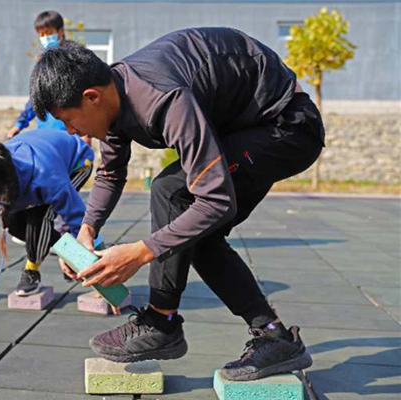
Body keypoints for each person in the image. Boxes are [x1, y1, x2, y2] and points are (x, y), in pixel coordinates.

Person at [29, 28, 325, 381]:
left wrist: (138, 253)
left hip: (286, 126)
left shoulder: (163, 99)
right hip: (242, 126)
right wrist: (87, 230)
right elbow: (110, 174)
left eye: (67, 120)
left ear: (91, 97)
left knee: (171, 192)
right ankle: (274, 337)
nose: (70, 132)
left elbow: (215, 201)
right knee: (193, 232)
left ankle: (161, 322)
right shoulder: (112, 98)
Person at [0, 129, 95, 296]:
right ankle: (64, 247)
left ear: (0, 188)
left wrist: (97, 272)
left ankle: (31, 271)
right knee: (13, 224)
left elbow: (80, 220)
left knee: (39, 217)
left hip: (77, 161)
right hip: (38, 157)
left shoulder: (47, 179)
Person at [7, 10, 69, 139]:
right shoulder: (42, 63)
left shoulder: (73, 59)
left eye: (49, 33)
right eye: (41, 34)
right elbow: (36, 97)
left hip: (71, 133)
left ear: (61, 31)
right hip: (45, 132)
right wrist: (20, 123)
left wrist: (86, 134)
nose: (45, 38)